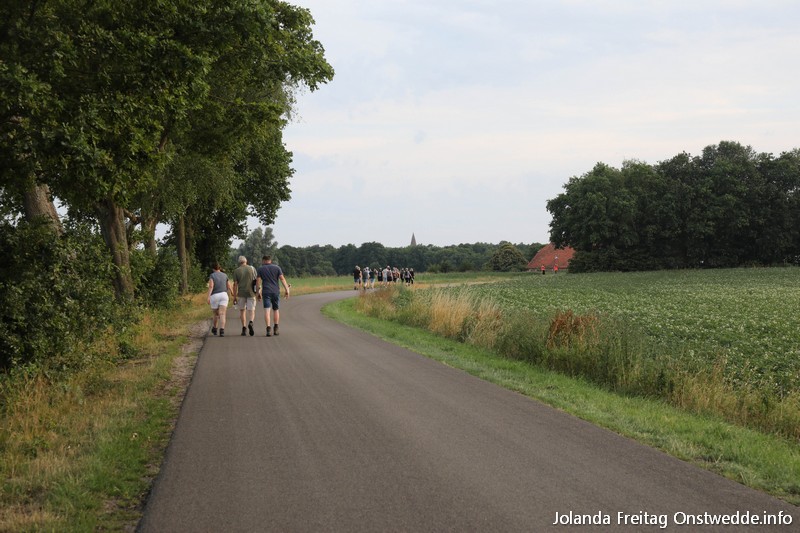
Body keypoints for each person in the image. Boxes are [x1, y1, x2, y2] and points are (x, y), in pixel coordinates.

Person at [256, 255, 291, 337]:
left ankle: (268, 329)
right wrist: (287, 290)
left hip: (266, 292)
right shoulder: (277, 268)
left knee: (267, 310)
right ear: (270, 260)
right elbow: (282, 279)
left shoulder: (260, 269)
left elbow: (258, 282)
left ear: (264, 260)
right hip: (275, 292)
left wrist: (258, 292)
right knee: (276, 310)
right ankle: (276, 328)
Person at [232, 255, 258, 336]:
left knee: (242, 310)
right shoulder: (252, 269)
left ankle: (244, 328)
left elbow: (235, 285)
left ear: (239, 262)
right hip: (251, 292)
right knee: (251, 310)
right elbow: (256, 281)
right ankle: (251, 322)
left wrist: (234, 297)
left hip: (241, 293)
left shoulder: (236, 271)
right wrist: (258, 292)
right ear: (246, 261)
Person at [207, 263, 232, 337]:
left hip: (215, 296)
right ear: (219, 268)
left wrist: (208, 296)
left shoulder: (212, 275)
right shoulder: (225, 275)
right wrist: (232, 292)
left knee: (216, 314)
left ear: (213, 269)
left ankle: (215, 328)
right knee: (222, 314)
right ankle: (222, 330)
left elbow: (211, 286)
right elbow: (228, 285)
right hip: (224, 295)